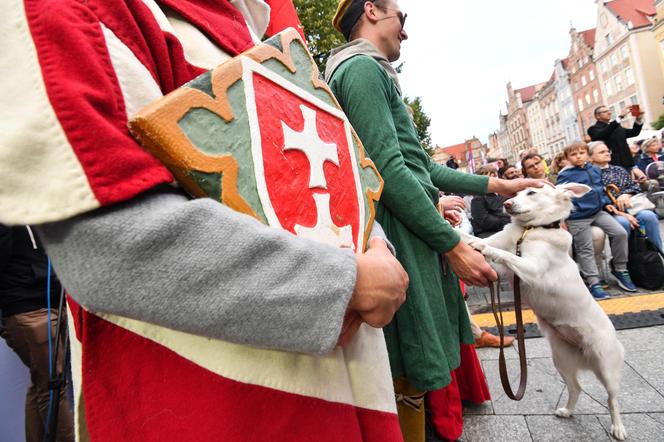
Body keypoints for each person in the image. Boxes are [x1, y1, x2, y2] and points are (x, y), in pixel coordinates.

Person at [1, 1, 409, 440]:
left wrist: (375, 243)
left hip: (339, 393)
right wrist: (345, 281)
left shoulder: (249, 23)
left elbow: (336, 170)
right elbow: (111, 241)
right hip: (219, 412)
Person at [325, 1, 544, 440]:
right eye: (401, 18)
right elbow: (389, 168)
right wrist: (452, 243)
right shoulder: (362, 70)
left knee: (417, 364)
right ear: (371, 9)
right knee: (411, 365)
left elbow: (424, 168)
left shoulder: (369, 70)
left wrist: (497, 187)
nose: (405, 31)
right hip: (403, 231)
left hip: (412, 224)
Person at [1, 225, 74, 442]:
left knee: (43, 384)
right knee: (53, 387)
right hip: (27, 308)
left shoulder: (29, 206)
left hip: (53, 300)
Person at [556, 142, 637, 299]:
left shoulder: (594, 169)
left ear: (588, 154)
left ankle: (620, 268)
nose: (578, 156)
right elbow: (562, 197)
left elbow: (599, 190)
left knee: (620, 232)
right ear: (567, 158)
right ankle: (594, 282)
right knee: (585, 249)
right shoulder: (565, 175)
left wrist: (606, 203)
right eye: (573, 154)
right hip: (578, 217)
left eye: (581, 152)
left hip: (597, 212)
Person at [589, 142, 663, 252]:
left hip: (632, 206)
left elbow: (634, 186)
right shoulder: (589, 174)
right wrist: (620, 213)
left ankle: (657, 255)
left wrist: (625, 195)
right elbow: (597, 198)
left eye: (607, 151)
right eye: (601, 152)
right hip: (609, 211)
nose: (607, 153)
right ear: (590, 157)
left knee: (649, 216)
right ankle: (628, 261)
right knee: (623, 223)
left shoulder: (618, 169)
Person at [588, 105, 647, 182]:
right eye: (605, 112)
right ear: (597, 116)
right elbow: (604, 133)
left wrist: (638, 119)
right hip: (611, 164)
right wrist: (620, 117)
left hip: (626, 163)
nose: (609, 113)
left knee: (631, 187)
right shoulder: (593, 129)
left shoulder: (616, 127)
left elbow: (634, 132)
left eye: (609, 111)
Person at [470, 166, 511, 238]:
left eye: (495, 176)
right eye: (489, 178)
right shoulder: (478, 198)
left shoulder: (503, 192)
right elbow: (483, 220)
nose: (494, 179)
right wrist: (505, 220)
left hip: (507, 228)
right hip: (490, 234)